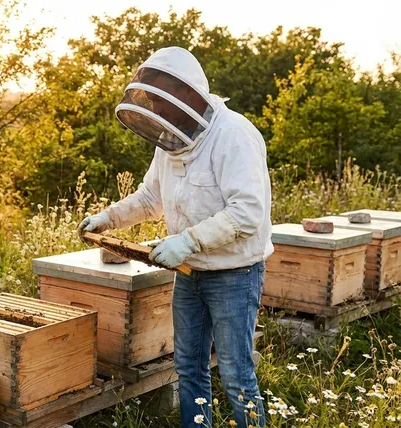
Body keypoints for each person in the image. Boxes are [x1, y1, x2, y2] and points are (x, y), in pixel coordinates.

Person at [78, 47, 273, 427]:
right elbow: (151, 197)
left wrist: (188, 241)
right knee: (188, 366)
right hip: (188, 274)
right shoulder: (171, 139)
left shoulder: (234, 136)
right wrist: (109, 218)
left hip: (234, 274)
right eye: (150, 102)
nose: (157, 110)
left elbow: (248, 212)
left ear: (186, 96)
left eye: (159, 101)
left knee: (235, 375)